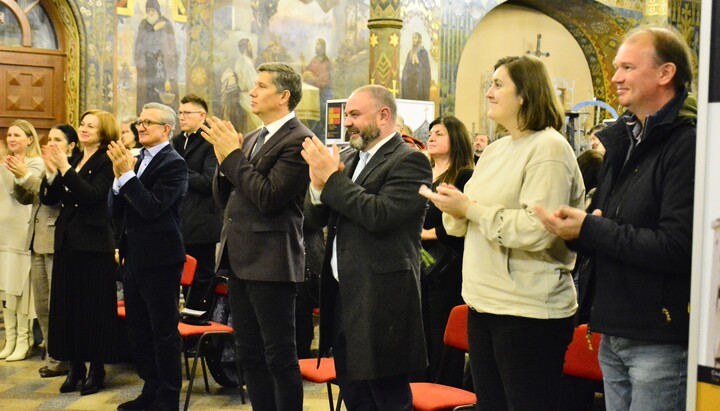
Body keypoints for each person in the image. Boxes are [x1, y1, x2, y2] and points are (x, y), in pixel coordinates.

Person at [534, 27, 696, 411]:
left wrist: (590, 227)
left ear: (665, 73)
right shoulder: (624, 140)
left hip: (660, 335)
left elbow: (678, 246)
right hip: (614, 326)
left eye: (627, 67)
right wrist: (574, 230)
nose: (615, 77)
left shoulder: (688, 143)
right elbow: (608, 223)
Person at [420, 55, 584, 411]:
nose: (489, 92)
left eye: (498, 84)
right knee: (490, 405)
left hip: (529, 309)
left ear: (524, 94)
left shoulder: (549, 149)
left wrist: (470, 210)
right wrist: (453, 209)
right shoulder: (495, 151)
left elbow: (537, 229)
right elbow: (468, 222)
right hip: (484, 301)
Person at [302, 85, 432, 409]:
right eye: (347, 115)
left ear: (384, 115)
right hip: (344, 296)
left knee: (386, 399)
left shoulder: (410, 161)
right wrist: (318, 187)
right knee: (355, 396)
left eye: (355, 115)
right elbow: (315, 217)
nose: (348, 122)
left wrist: (332, 181)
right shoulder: (347, 157)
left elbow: (379, 215)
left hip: (381, 299)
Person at [201, 62, 311, 411]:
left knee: (278, 354)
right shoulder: (251, 138)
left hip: (272, 260)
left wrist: (231, 156)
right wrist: (224, 159)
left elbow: (267, 196)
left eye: (261, 86)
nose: (252, 92)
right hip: (240, 258)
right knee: (249, 353)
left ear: (283, 96)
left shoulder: (299, 140)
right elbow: (226, 198)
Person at [109, 103, 189, 411]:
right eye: (139, 122)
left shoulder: (174, 164)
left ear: (166, 129)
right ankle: (150, 389)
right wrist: (119, 180)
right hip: (134, 257)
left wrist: (126, 175)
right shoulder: (137, 159)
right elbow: (117, 211)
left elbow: (152, 207)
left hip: (161, 259)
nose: (140, 127)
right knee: (139, 330)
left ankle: (168, 398)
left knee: (163, 332)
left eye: (148, 123)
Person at [41, 110, 120, 395]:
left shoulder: (105, 161)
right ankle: (75, 367)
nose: (84, 129)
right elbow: (49, 199)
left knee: (93, 309)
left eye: (91, 126)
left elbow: (92, 196)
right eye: (83, 124)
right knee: (68, 307)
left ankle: (96, 370)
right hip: (67, 242)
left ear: (104, 132)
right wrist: (52, 173)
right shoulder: (74, 159)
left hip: (93, 244)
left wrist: (64, 168)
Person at [11, 125, 78, 375]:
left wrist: (27, 175)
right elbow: (27, 198)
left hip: (55, 240)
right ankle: (53, 355)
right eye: (49, 139)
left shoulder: (69, 168)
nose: (51, 143)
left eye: (57, 139)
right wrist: (19, 178)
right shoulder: (48, 165)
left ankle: (63, 357)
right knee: (42, 305)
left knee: (56, 304)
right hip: (36, 239)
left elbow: (51, 196)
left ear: (71, 145)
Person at [418, 115, 474, 387]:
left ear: (456, 139)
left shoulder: (464, 175)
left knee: (442, 335)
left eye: (439, 133)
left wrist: (428, 233)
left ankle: (442, 392)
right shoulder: (422, 173)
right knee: (420, 334)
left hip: (447, 267)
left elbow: (464, 219)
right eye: (430, 133)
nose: (431, 137)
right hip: (418, 265)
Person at [170, 94, 223, 310]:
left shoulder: (210, 141)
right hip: (180, 220)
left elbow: (208, 181)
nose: (182, 117)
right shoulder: (176, 141)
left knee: (201, 277)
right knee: (182, 277)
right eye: (180, 113)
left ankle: (198, 323)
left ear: (202, 116)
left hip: (203, 222)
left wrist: (179, 169)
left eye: (187, 113)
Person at [0, 119, 44, 362]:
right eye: (9, 135)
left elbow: (28, 191)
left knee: (20, 292)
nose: (12, 139)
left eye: (17, 135)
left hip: (22, 233)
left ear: (30, 139)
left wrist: (18, 171)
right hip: (3, 233)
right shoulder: (3, 164)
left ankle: (24, 340)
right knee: (6, 290)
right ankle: (11, 338)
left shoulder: (35, 163)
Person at [134, 0, 178, 113]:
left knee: (163, 92)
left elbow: (171, 46)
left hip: (163, 66)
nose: (150, 13)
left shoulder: (166, 23)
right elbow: (140, 44)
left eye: (152, 10)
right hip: (148, 66)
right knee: (148, 94)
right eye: (148, 10)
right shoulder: (144, 24)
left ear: (157, 10)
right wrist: (153, 30)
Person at [304, 38, 333, 140]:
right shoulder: (314, 60)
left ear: (323, 47)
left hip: (323, 94)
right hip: (314, 93)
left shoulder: (326, 62)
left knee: (319, 116)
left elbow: (324, 81)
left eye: (318, 45)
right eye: (316, 44)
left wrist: (313, 79)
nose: (316, 47)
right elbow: (307, 72)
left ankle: (319, 138)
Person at [401, 32, 431, 101]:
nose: (414, 40)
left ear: (419, 39)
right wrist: (411, 64)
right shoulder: (410, 53)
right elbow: (406, 69)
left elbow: (426, 70)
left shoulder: (423, 53)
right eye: (413, 38)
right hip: (410, 84)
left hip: (418, 84)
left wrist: (418, 63)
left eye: (415, 38)